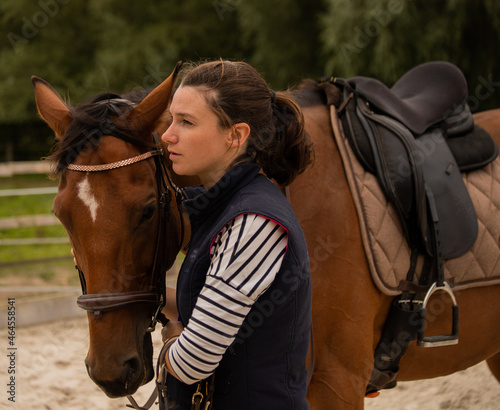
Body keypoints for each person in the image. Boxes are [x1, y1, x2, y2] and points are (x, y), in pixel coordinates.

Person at [159, 60, 313, 410]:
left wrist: (171, 338)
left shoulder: (253, 223)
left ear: (236, 136)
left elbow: (192, 361)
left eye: (186, 122)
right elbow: (203, 308)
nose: (168, 134)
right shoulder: (222, 208)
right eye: (171, 119)